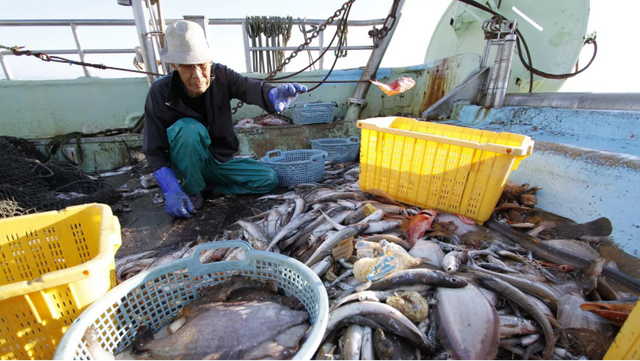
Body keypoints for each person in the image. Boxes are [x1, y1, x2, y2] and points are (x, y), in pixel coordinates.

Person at [143, 20, 306, 219]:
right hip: (186, 166)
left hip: (218, 161)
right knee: (188, 129)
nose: (197, 76)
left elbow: (249, 87)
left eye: (202, 66)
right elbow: (154, 149)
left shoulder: (222, 75)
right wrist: (170, 189)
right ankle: (191, 189)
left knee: (268, 179)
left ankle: (209, 188)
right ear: (175, 66)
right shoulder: (159, 91)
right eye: (187, 67)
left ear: (210, 61)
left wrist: (271, 93)